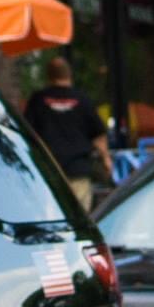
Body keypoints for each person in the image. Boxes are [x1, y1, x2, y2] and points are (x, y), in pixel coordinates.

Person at [23, 58, 112, 208]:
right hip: (78, 170)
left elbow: (28, 134)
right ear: (69, 75)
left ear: (49, 76)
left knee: (53, 215)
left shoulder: (37, 100)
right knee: (80, 216)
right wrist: (106, 159)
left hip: (49, 172)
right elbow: (98, 135)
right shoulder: (82, 99)